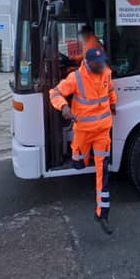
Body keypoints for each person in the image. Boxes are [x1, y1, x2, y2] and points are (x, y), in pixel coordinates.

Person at [50, 48, 117, 235]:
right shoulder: (75, 78)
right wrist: (63, 107)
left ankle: (102, 213)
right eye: (98, 63)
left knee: (102, 171)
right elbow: (54, 93)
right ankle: (80, 160)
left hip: (103, 131)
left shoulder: (106, 72)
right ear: (88, 63)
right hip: (83, 132)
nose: (101, 65)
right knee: (78, 163)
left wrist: (113, 103)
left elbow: (110, 89)